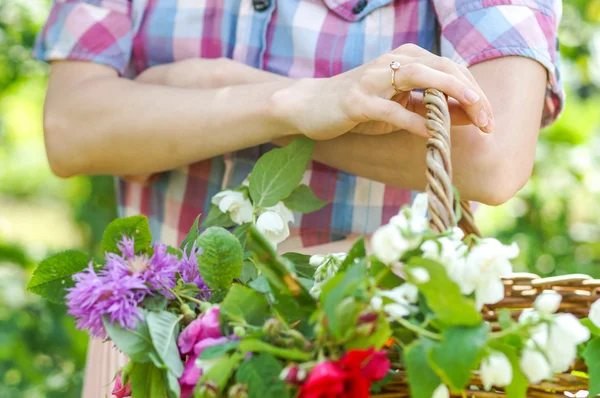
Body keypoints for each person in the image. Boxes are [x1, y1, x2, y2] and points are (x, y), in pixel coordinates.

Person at [33, 0, 563, 396]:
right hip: (153, 340)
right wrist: (290, 105)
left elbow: (493, 155)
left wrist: (217, 90)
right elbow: (73, 127)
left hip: (354, 352)